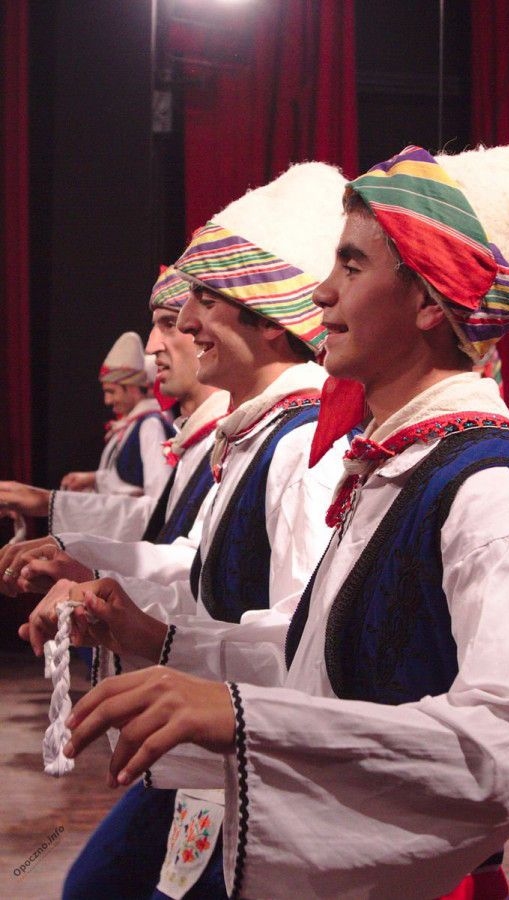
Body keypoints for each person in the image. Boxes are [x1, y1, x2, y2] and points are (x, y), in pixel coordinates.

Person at [61, 143, 509, 900]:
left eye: (350, 265)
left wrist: (243, 717)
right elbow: (318, 663)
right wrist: (160, 641)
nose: (320, 292)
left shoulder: (493, 491)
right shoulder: (395, 467)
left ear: (428, 302)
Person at [30, 161, 350, 900]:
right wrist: (100, 582)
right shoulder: (263, 437)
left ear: (269, 318)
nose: (184, 328)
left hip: (259, 773)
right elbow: (199, 566)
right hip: (221, 753)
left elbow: (307, 651)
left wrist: (155, 637)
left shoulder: (302, 449)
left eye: (204, 304)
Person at [0, 266, 229, 597]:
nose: (151, 347)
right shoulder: (198, 434)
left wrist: (55, 510)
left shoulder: (190, 432)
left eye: (169, 323)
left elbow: (176, 541)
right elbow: (173, 537)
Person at [0, 331, 175, 546]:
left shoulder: (150, 425)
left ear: (131, 388)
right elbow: (127, 480)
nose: (107, 400)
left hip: (135, 539)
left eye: (111, 391)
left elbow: (159, 500)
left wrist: (49, 502)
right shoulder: (130, 427)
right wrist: (94, 479)